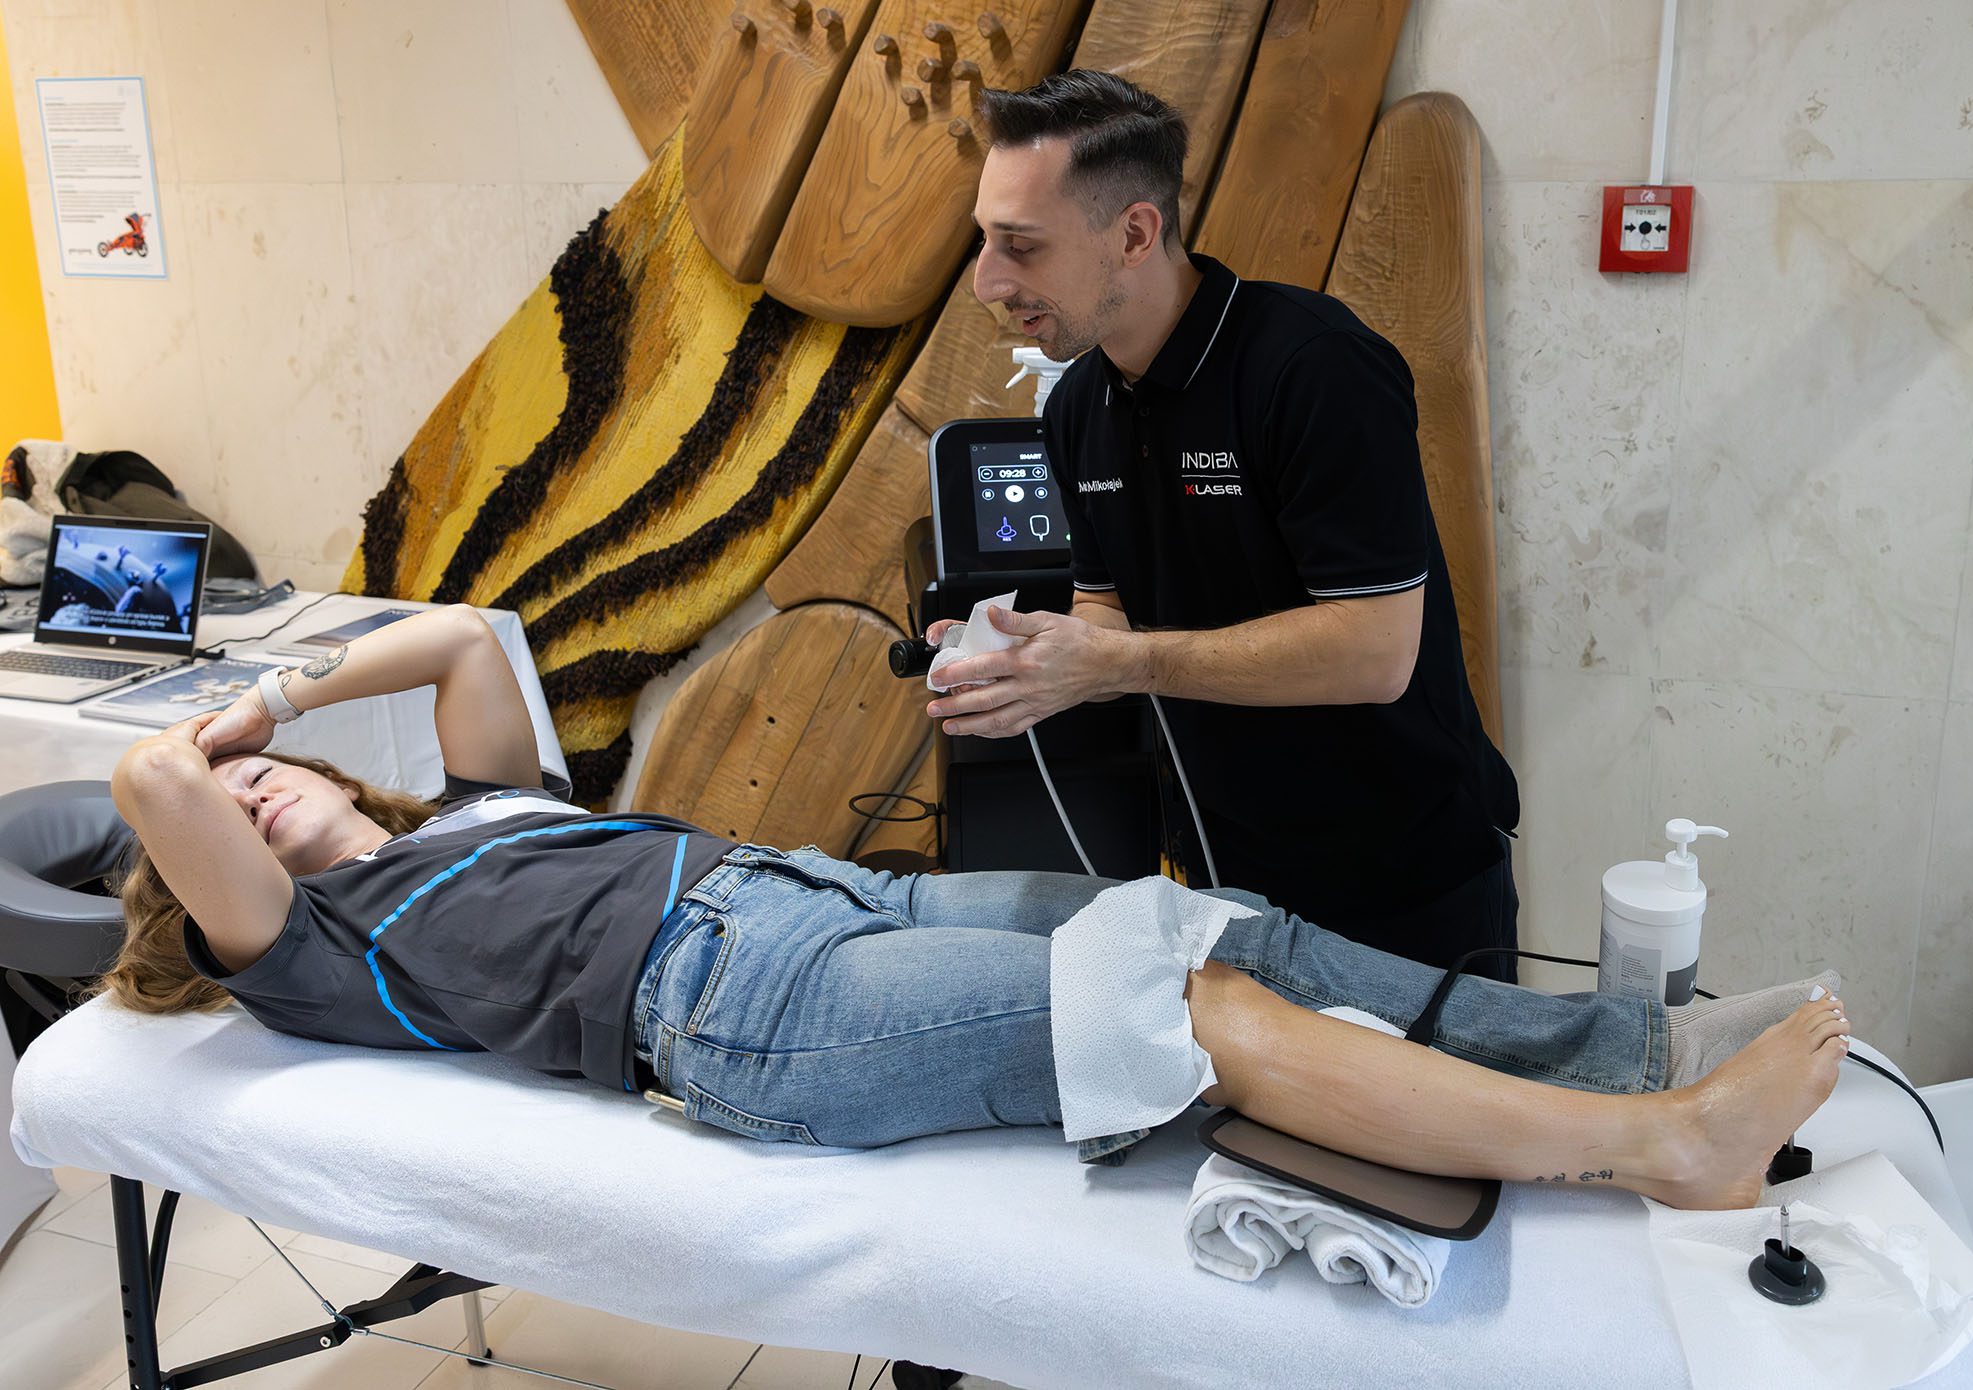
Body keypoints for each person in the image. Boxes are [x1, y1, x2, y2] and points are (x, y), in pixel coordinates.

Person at [102, 605, 1847, 1206]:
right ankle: (1659, 1148)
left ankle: (1628, 1050)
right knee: (1191, 1018)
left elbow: (463, 643)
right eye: (236, 818)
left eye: (263, 769)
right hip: (734, 1013)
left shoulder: (487, 807)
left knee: (1228, 924)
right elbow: (154, 787)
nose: (246, 790)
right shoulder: (320, 952)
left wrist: (286, 693)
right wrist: (221, 748)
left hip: (818, 893)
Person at [925, 72, 1521, 978]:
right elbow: (1107, 612)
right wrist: (1032, 661)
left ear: (1135, 234)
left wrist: (1124, 663)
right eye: (985, 241)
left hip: (1406, 884)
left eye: (1022, 246)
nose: (987, 282)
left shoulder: (1313, 367)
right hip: (1225, 878)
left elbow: (1375, 652)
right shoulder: (1078, 407)